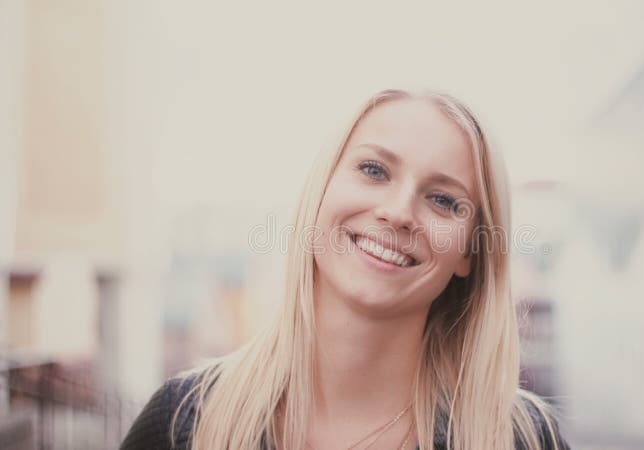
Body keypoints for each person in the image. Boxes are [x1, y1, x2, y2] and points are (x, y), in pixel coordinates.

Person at [120, 89, 570, 450]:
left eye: (443, 199)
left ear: (469, 254)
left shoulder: (523, 439)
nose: (397, 213)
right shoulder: (182, 423)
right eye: (374, 170)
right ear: (320, 193)